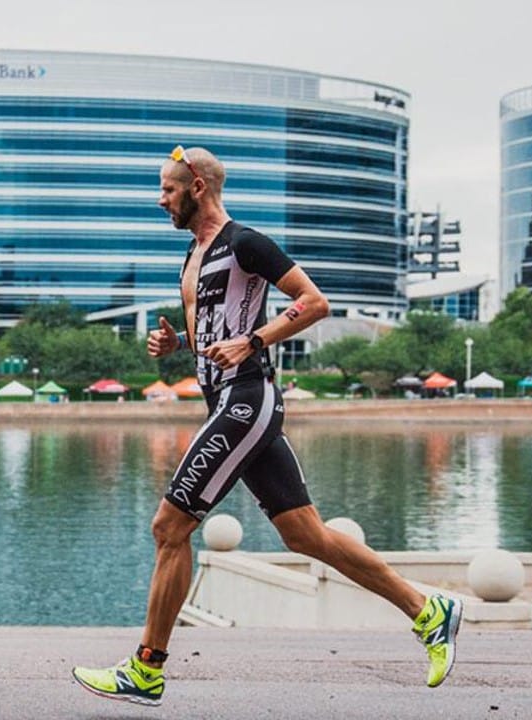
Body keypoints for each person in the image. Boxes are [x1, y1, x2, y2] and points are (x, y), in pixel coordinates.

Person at [72, 146, 462, 706]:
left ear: (198, 186)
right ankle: (429, 609)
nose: (160, 200)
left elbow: (315, 301)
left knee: (169, 526)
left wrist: (254, 341)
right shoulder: (193, 254)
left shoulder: (245, 243)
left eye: (168, 189)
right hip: (224, 401)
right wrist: (175, 344)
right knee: (306, 535)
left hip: (246, 400)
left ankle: (147, 668)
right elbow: (215, 330)